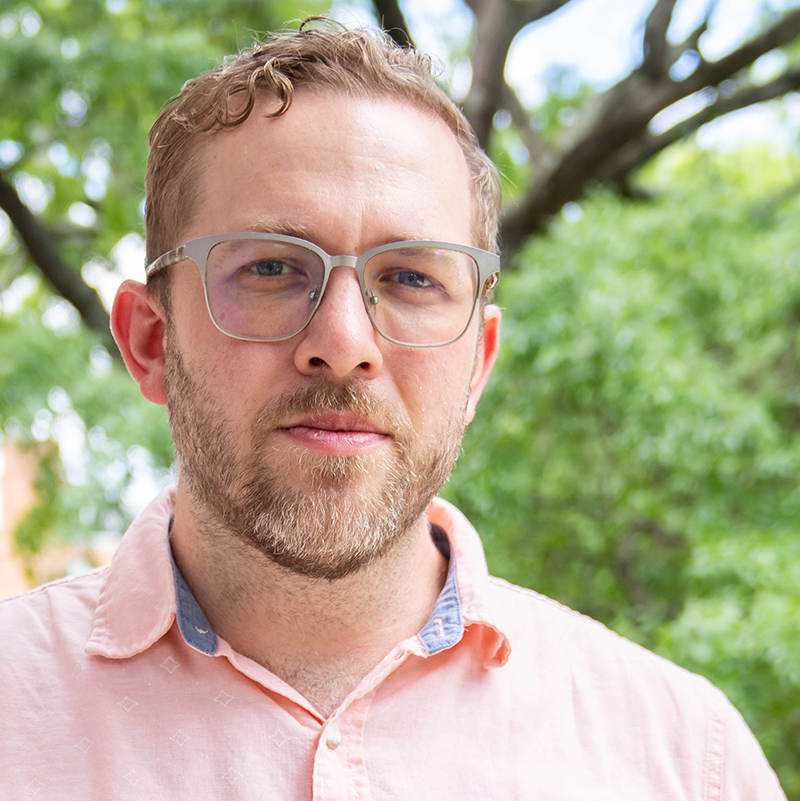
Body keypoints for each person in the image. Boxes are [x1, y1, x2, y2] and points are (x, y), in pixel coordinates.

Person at [0, 21, 787, 800]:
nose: (343, 344)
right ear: (149, 340)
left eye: (411, 278)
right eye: (272, 267)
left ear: (478, 363)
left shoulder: (685, 761)